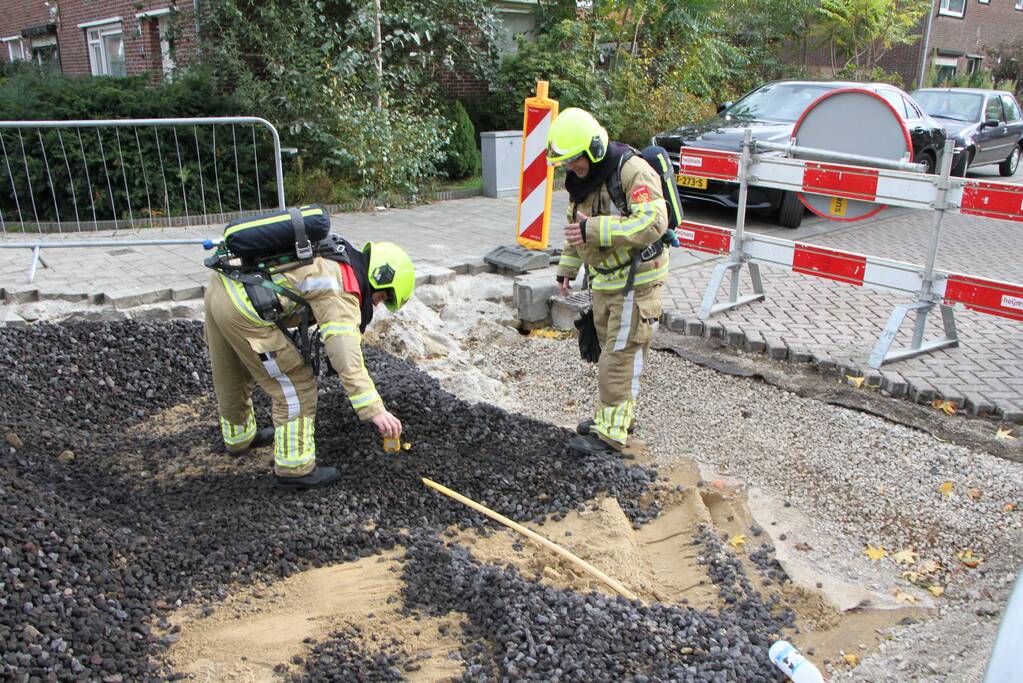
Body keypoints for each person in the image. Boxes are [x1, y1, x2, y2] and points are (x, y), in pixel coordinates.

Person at [203, 235, 415, 489]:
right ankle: (295, 469)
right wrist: (374, 409)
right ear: (381, 277)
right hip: (244, 309)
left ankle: (239, 437)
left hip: (222, 288)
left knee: (231, 371)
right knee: (298, 384)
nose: (377, 304)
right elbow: (346, 356)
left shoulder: (337, 257)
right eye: (382, 298)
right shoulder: (344, 287)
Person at [547, 107, 669, 456]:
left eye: (576, 160)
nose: (573, 168)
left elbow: (652, 223)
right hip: (605, 282)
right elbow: (577, 229)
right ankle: (612, 417)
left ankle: (611, 436)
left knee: (619, 358)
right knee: (609, 353)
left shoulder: (631, 171)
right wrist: (567, 267)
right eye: (567, 162)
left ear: (594, 149)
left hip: (636, 281)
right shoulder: (582, 181)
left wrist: (596, 229)